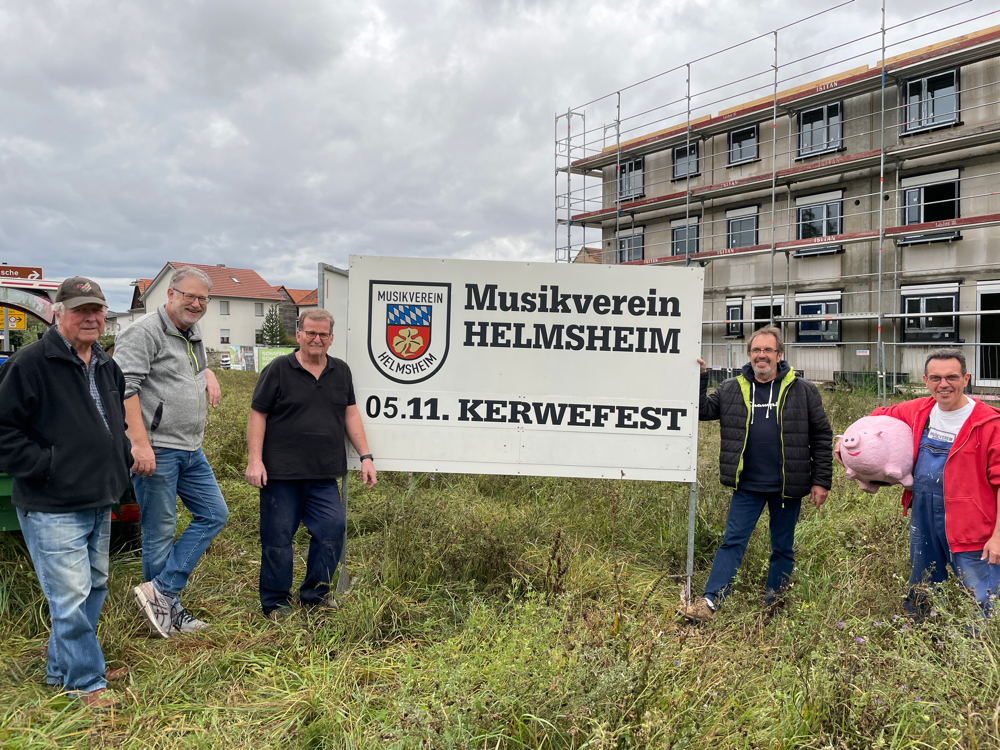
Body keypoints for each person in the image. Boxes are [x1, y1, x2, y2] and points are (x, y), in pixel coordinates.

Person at [0, 278, 132, 708]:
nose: (91, 317)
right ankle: (85, 681)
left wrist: (122, 456)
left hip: (98, 497)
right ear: (59, 313)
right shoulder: (30, 364)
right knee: (69, 596)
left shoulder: (107, 365)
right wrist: (48, 467)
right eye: (80, 310)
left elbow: (117, 425)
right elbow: (4, 432)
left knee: (92, 587)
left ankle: (63, 667)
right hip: (51, 504)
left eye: (97, 310)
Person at [678, 326, 833, 622]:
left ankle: (775, 605)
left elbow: (822, 436)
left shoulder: (803, 389)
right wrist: (699, 378)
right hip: (747, 485)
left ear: (779, 354)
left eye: (768, 350)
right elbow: (703, 411)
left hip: (788, 485)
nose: (761, 356)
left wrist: (821, 480)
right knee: (732, 542)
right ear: (749, 355)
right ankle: (709, 603)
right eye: (756, 351)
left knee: (782, 547)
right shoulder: (731, 387)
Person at [837, 349, 1000, 617]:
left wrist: (998, 536)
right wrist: (844, 441)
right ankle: (920, 632)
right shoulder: (918, 410)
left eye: (951, 377)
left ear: (966, 378)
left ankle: (976, 649)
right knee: (922, 583)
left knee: (978, 595)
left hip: (973, 525)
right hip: (923, 517)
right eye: (935, 378)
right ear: (925, 380)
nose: (943, 384)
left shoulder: (989, 423)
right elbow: (877, 415)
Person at [114, 266, 228, 638]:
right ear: (170, 295)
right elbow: (124, 388)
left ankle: (160, 592)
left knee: (214, 514)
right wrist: (139, 443)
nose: (196, 304)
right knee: (160, 531)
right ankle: (167, 612)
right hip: (157, 449)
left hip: (192, 447)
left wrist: (208, 374)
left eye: (203, 299)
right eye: (188, 296)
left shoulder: (191, 332)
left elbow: (191, 369)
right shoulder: (143, 332)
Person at [245, 308, 376, 619]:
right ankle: (275, 603)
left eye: (323, 334)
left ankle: (314, 596)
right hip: (280, 474)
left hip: (324, 474)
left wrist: (366, 455)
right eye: (311, 333)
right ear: (299, 334)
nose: (316, 339)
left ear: (331, 338)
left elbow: (351, 414)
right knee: (277, 539)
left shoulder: (341, 371)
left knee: (333, 530)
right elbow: (257, 414)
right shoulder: (278, 369)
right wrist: (255, 460)